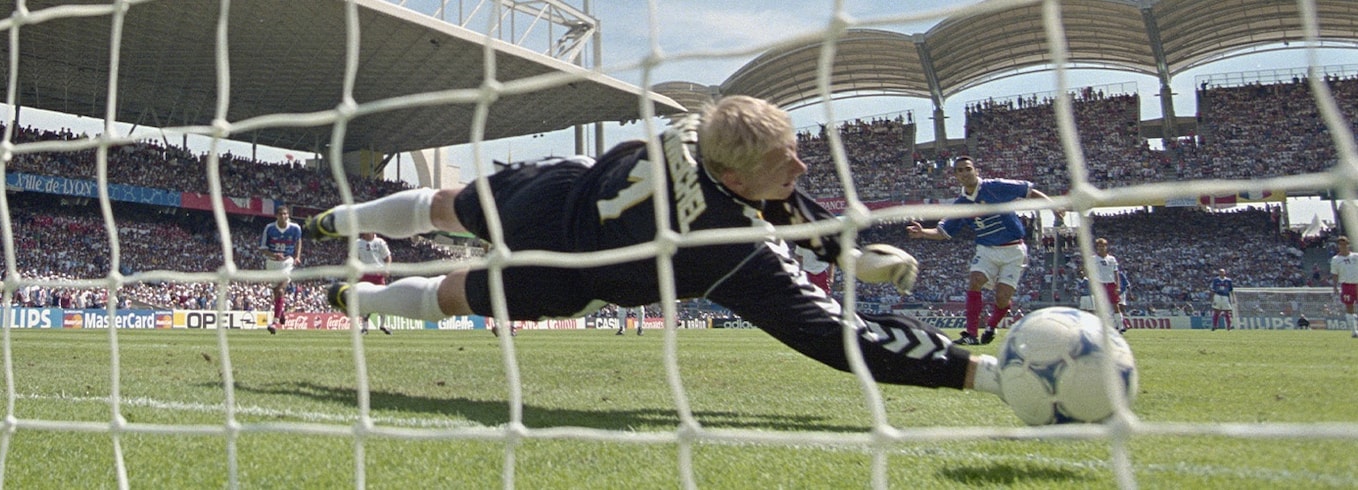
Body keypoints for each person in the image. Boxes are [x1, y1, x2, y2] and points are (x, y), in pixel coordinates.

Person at [302, 96, 1005, 397]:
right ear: (736, 178)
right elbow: (832, 336)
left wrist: (844, 253)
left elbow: (772, 192)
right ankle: (359, 301)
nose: (800, 165)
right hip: (568, 271)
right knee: (452, 294)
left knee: (443, 206)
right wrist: (970, 372)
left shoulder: (697, 127)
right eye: (784, 158)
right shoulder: (729, 247)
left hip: (556, 192)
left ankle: (340, 219)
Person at [905, 156, 1051, 345]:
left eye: (968, 168)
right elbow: (943, 232)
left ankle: (991, 326)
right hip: (986, 249)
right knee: (975, 280)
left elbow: (1029, 191)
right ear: (956, 176)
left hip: (1013, 249)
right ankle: (971, 335)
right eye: (960, 170)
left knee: (1002, 298)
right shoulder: (961, 205)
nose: (965, 173)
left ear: (976, 171)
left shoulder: (995, 187)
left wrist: (1053, 206)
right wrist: (923, 232)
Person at [261, 205, 303, 334]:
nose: (284, 216)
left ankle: (275, 323)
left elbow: (298, 241)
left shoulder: (295, 228)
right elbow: (263, 249)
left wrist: (297, 256)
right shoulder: (269, 228)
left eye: (286, 214)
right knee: (276, 294)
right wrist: (274, 255)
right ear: (276, 216)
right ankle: (281, 312)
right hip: (272, 263)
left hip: (287, 262)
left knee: (280, 291)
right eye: (281, 214)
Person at [355, 232, 394, 335]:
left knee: (382, 299)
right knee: (364, 301)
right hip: (365, 274)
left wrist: (387, 269)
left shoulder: (380, 242)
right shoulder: (358, 243)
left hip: (378, 274)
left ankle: (382, 325)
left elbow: (388, 257)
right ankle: (364, 328)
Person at [1090, 238, 1127, 333]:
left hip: (1111, 284)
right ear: (1097, 247)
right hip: (1100, 285)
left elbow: (1116, 273)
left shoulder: (1112, 259)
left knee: (1116, 305)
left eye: (1103, 246)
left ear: (1106, 247)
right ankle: (1106, 326)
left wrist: (1118, 286)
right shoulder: (1093, 259)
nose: (1101, 248)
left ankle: (1121, 326)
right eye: (1099, 246)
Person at [1331, 236, 1358, 337]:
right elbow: (1335, 274)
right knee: (1349, 307)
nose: (1343, 246)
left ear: (1348, 244)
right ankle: (1354, 331)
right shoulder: (1336, 259)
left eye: (1345, 244)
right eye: (1341, 244)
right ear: (1338, 246)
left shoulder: (1355, 256)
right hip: (1346, 285)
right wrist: (1335, 287)